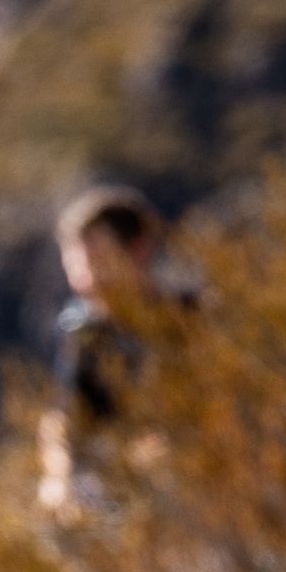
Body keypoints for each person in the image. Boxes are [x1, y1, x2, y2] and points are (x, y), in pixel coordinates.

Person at [37, 182, 167, 518]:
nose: (85, 277)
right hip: (113, 479)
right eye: (75, 262)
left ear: (138, 250)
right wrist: (58, 476)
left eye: (97, 257)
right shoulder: (84, 332)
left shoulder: (186, 317)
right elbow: (64, 416)